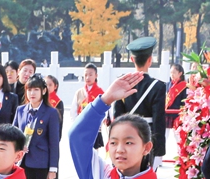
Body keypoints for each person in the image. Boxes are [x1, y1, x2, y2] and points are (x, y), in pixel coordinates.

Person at [113, 37, 166, 170]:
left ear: (132, 60)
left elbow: (117, 118)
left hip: (126, 140)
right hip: (148, 141)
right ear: (150, 60)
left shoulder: (122, 82)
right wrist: (159, 150)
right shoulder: (158, 86)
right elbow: (159, 120)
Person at [14, 74, 61, 179]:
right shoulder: (20, 110)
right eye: (29, 90)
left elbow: (54, 143)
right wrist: (19, 147)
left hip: (41, 163)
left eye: (36, 90)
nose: (32, 93)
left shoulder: (51, 112)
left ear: (44, 91)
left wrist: (53, 169)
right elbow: (14, 133)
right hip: (22, 163)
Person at [72, 63, 105, 149]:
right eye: (85, 75)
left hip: (95, 129)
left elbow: (104, 112)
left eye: (90, 75)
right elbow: (73, 112)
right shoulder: (79, 92)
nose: (87, 77)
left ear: (96, 75)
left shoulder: (100, 93)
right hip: (81, 128)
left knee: (94, 156)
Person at [165, 63, 187, 131]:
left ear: (180, 73)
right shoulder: (168, 84)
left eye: (174, 72)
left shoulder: (184, 86)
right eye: (171, 72)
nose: (172, 74)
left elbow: (184, 101)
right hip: (167, 113)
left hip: (177, 114)